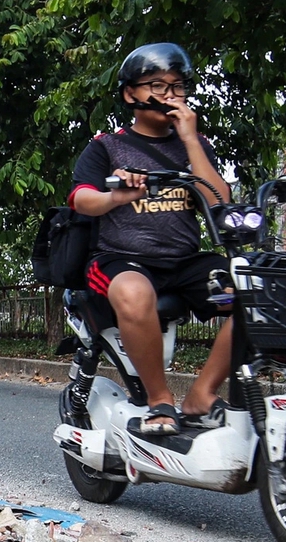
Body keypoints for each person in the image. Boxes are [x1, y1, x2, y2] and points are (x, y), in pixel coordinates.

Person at [67, 42, 236, 436]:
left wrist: (191, 140)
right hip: (120, 259)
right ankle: (160, 401)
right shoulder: (106, 145)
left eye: (177, 87)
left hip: (183, 261)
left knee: (253, 289)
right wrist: (116, 196)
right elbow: (80, 199)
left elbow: (218, 203)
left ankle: (202, 394)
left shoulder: (196, 147)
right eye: (157, 86)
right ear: (131, 94)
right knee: (134, 292)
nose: (169, 96)